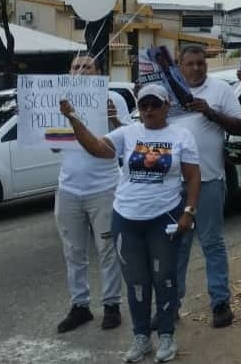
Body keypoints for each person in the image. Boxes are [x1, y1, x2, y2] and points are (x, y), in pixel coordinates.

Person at [61, 83, 201, 364]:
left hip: (164, 218)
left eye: (154, 105)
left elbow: (193, 177)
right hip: (126, 219)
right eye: (144, 105)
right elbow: (96, 148)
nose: (148, 110)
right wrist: (73, 118)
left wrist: (189, 212)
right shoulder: (128, 132)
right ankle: (140, 337)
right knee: (136, 281)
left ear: (165, 106)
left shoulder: (181, 135)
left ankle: (165, 335)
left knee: (164, 278)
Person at [53, 55, 131, 334]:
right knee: (73, 251)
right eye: (75, 66)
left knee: (108, 250)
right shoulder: (58, 102)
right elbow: (53, 146)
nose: (80, 70)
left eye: (87, 66)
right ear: (68, 71)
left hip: (104, 187)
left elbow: (125, 143)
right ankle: (80, 306)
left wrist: (112, 119)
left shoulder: (113, 99)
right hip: (68, 188)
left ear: (99, 72)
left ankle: (111, 304)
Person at [172, 45, 241, 329]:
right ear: (180, 66)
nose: (196, 69)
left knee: (212, 243)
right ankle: (171, 303)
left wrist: (210, 112)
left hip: (210, 181)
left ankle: (220, 303)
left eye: (201, 63)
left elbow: (240, 126)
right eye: (190, 64)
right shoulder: (168, 93)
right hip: (173, 185)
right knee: (176, 246)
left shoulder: (220, 90)